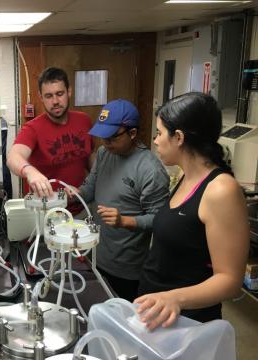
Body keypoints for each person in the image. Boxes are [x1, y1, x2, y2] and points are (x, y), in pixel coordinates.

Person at [135, 92, 249, 330]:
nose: (155, 140)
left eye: (159, 132)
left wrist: (174, 298)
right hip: (159, 316)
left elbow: (229, 280)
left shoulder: (221, 190)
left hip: (188, 323)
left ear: (178, 137)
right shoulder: (185, 176)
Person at [74, 99, 169, 301]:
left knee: (122, 323)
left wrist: (124, 221)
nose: (106, 143)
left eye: (112, 137)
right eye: (103, 137)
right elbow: (90, 188)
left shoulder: (150, 169)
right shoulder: (103, 154)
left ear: (132, 133)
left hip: (126, 269)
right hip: (96, 256)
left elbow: (160, 220)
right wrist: (70, 195)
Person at [7, 67, 93, 214]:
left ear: (69, 91)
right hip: (46, 213)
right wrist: (29, 171)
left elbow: (90, 157)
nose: (55, 101)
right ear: (41, 97)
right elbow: (13, 157)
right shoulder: (32, 128)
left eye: (60, 94)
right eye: (48, 96)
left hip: (81, 207)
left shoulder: (84, 120)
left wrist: (91, 186)